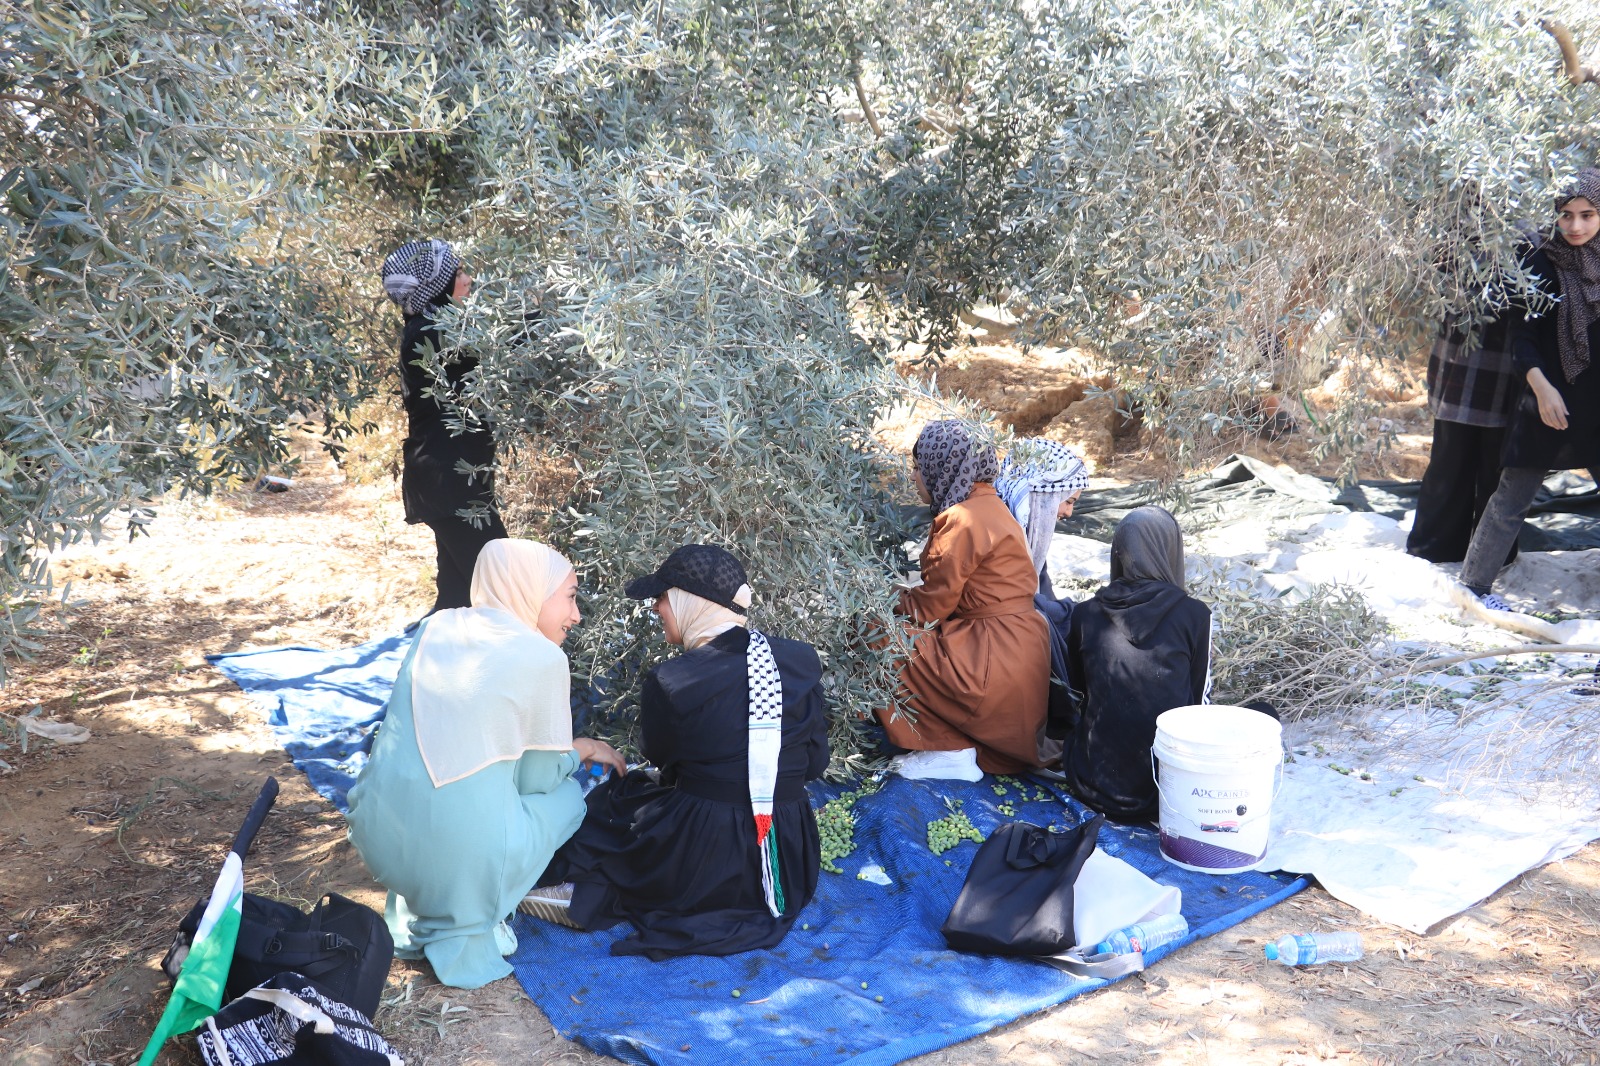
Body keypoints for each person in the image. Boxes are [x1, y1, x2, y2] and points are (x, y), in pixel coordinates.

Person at [345, 538, 625, 989]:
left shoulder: (437, 627)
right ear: (530, 590)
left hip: (377, 836)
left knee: (450, 785)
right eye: (570, 597)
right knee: (570, 795)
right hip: (457, 853)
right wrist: (582, 750)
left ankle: (421, 903)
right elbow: (535, 779)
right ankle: (480, 914)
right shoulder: (541, 655)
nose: (576, 615)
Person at [528, 545, 830, 959]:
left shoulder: (675, 680)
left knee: (615, 799)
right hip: (786, 855)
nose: (656, 608)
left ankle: (584, 894)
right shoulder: (799, 661)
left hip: (703, 855)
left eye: (662, 597)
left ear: (690, 601)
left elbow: (664, 760)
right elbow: (815, 763)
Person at [875, 420, 1055, 780]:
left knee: (874, 629)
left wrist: (882, 594)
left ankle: (948, 748)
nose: (914, 476)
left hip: (990, 662)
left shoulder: (962, 518)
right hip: (1019, 656)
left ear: (942, 468)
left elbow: (929, 610)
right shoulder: (991, 505)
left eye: (918, 467)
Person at [1459, 169, 1600, 612]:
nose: (1575, 226)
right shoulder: (1538, 259)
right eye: (1565, 215)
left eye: (1587, 215)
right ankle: (1473, 587)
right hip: (1547, 399)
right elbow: (1522, 338)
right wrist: (1542, 390)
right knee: (1511, 500)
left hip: (1597, 402)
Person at [380, 239, 506, 617]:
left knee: (457, 597)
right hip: (450, 484)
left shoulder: (431, 328)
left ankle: (432, 654)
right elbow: (506, 337)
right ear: (437, 285)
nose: (468, 280)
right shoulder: (430, 333)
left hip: (453, 481)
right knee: (504, 587)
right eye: (458, 273)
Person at [1063, 506, 1211, 823]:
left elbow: (1079, 692)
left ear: (1119, 552)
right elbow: (1197, 703)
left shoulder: (1084, 614)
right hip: (1168, 793)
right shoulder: (1195, 615)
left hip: (1092, 785)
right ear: (1170, 551)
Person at [1405, 304, 1523, 565]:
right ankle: (1439, 551)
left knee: (1493, 469)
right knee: (1452, 462)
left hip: (1510, 360)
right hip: (1463, 357)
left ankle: (1488, 557)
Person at [995, 438, 1090, 737]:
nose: (1068, 513)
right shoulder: (1000, 533)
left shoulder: (1027, 532)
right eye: (1068, 501)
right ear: (1043, 494)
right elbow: (1022, 604)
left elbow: (1042, 592)